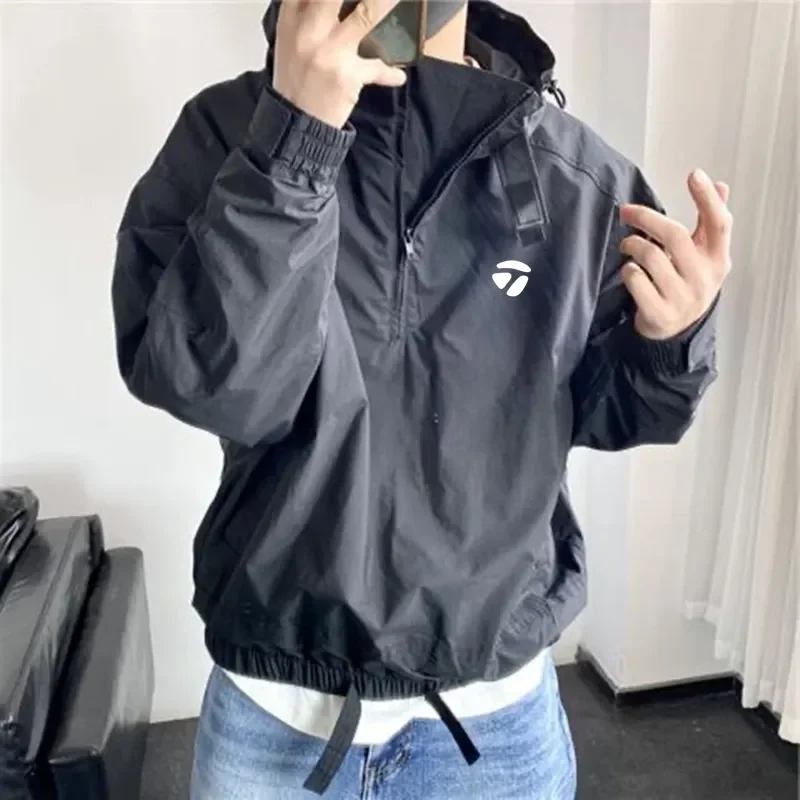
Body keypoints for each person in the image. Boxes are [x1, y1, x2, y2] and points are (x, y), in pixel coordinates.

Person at [111, 1, 733, 797]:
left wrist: (673, 338)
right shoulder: (226, 133)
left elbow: (619, 412)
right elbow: (216, 386)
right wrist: (294, 145)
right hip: (276, 718)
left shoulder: (576, 176)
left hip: (496, 727)